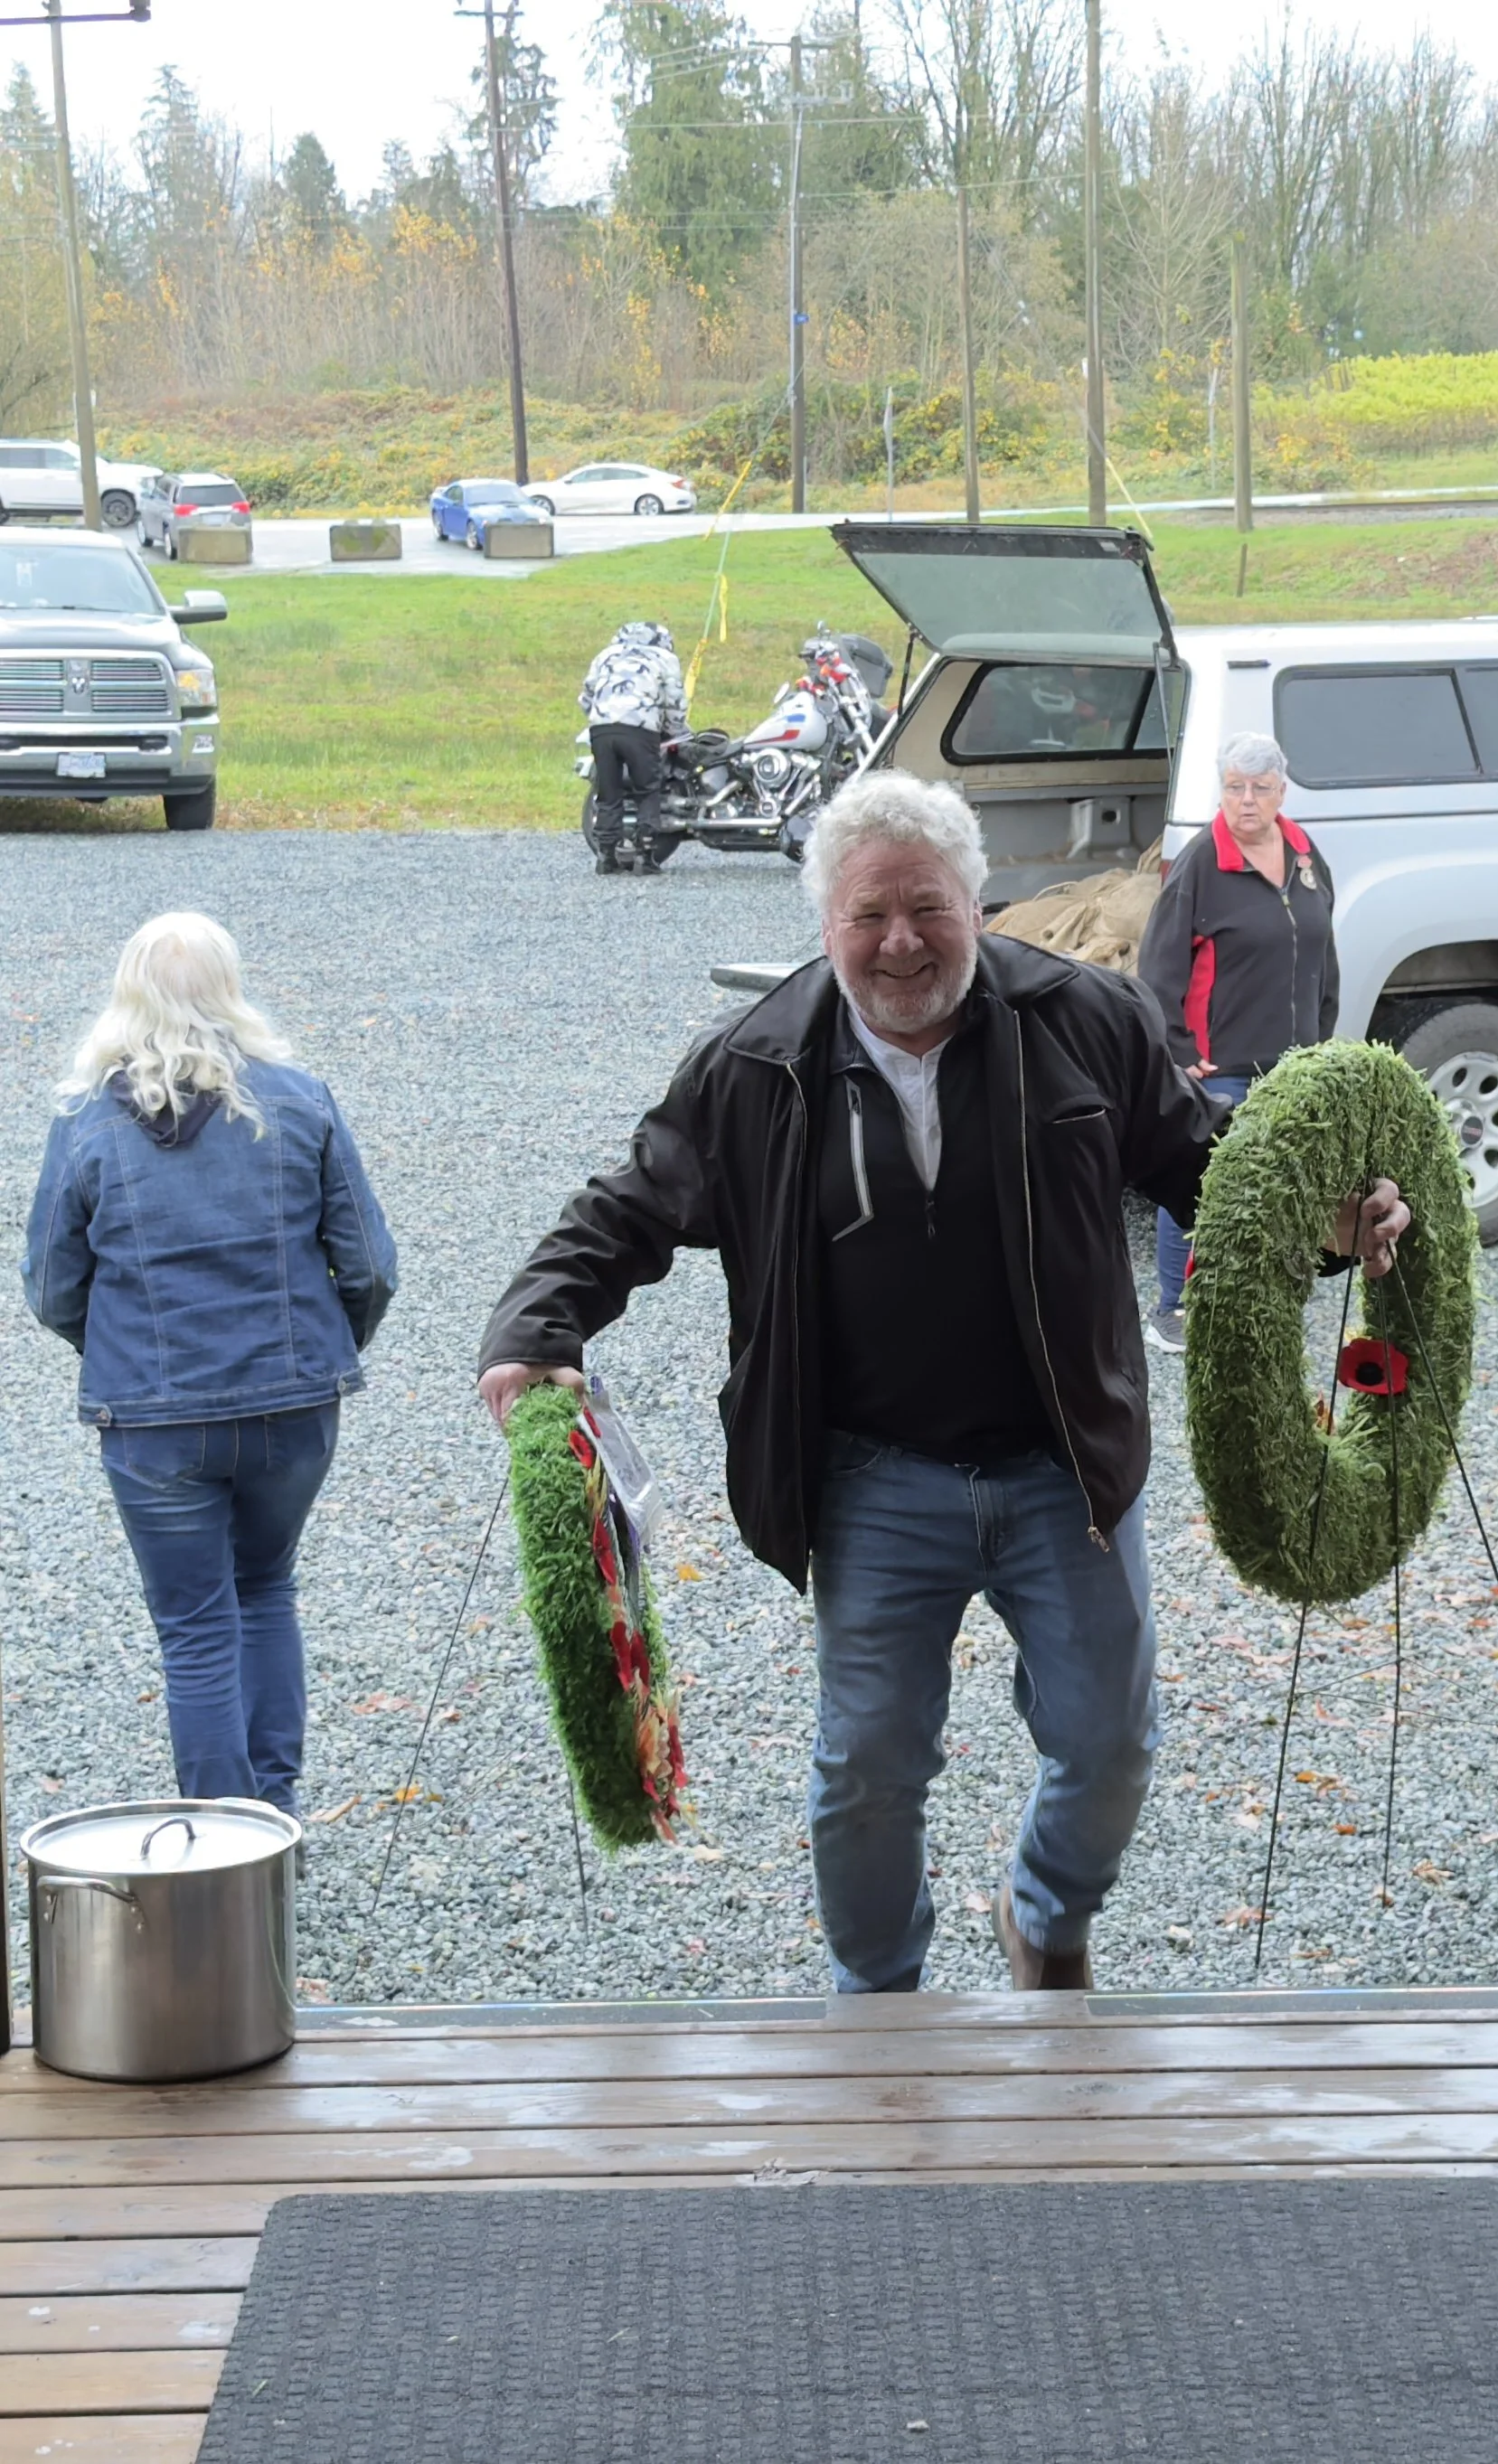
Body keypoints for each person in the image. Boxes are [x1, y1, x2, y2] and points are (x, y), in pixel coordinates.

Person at [477, 771, 1408, 1995]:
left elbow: (1208, 1174)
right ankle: (879, 1996)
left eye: (928, 907)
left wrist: (1335, 1228)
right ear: (826, 926)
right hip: (871, 1475)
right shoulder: (758, 1064)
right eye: (870, 915)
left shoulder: (1087, 1022)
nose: (901, 940)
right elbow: (629, 1205)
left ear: (980, 902)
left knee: (1110, 1742)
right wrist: (533, 1326)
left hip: (1061, 1464)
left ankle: (1046, 1912)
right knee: (867, 1764)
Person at [21, 913, 398, 1814]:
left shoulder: (85, 1122)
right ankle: (275, 1817)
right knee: (265, 1585)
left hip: (154, 1420)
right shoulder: (301, 1098)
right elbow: (371, 1267)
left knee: (194, 1628)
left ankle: (222, 1845)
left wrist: (113, 1349)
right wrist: (318, 1348)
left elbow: (51, 1286)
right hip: (292, 1408)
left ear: (128, 995)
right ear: (230, 989)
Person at [1136, 731, 1340, 1353]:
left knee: (1282, 1181)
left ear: (1280, 791)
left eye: (1258, 789)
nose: (1245, 801)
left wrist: (1321, 1033)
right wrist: (1175, 1049)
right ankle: (1174, 1309)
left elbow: (1321, 946)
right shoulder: (1202, 861)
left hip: (1293, 1058)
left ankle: (1263, 1300)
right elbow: (1159, 964)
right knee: (1200, 1181)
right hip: (1218, 1060)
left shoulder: (1304, 853)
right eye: (1233, 788)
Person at [579, 619, 689, 876]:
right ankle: (645, 856)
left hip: (602, 729)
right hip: (641, 729)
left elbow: (586, 697)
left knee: (608, 791)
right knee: (647, 790)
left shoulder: (605, 655)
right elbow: (674, 704)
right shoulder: (664, 658)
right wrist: (676, 732)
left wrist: (602, 716)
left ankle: (605, 856)